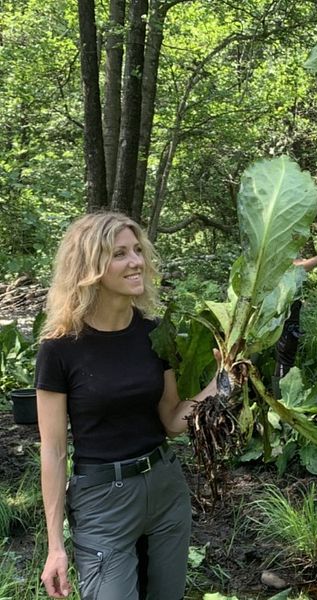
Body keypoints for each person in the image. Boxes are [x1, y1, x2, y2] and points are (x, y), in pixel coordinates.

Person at [35, 212, 218, 600]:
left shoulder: (154, 334)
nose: (136, 261)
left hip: (166, 487)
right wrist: (55, 546)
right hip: (102, 501)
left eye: (137, 250)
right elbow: (52, 450)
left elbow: (171, 419)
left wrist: (220, 384)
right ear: (89, 267)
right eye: (119, 253)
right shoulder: (59, 349)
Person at [272, 237, 317, 397]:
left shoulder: (290, 242)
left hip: (290, 307)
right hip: (280, 308)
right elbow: (294, 267)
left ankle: (280, 398)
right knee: (284, 353)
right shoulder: (279, 239)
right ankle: (279, 401)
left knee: (287, 352)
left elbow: (299, 262)